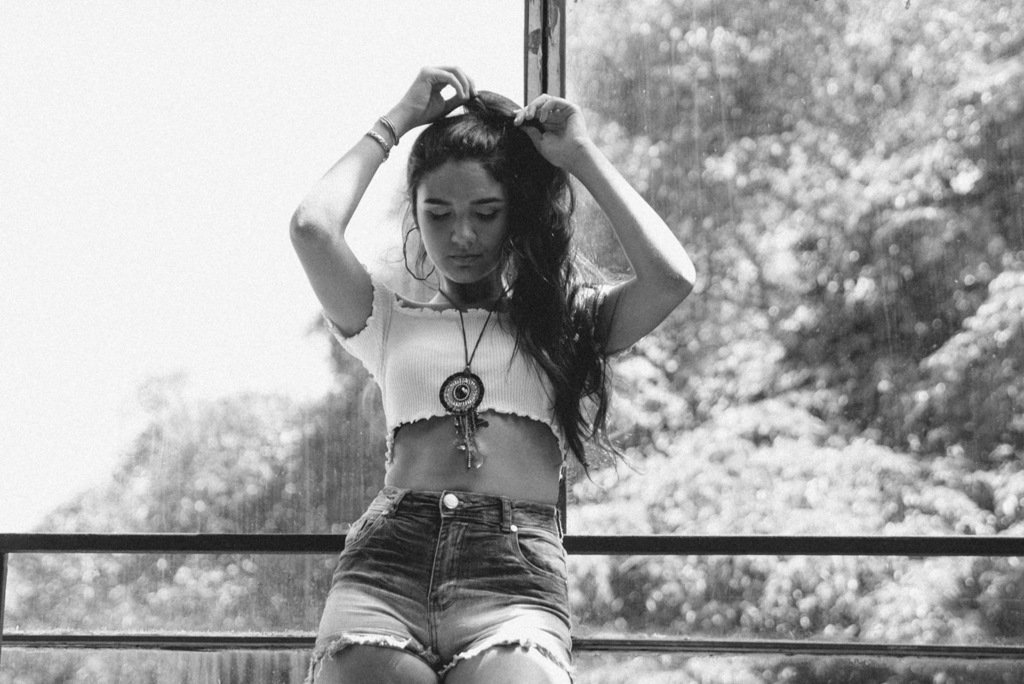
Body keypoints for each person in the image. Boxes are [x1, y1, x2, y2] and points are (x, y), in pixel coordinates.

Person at [290, 66, 695, 684]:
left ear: (517, 215)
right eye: (438, 213)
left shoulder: (566, 322)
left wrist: (580, 155)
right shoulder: (387, 321)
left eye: (485, 212)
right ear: (416, 216)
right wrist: (397, 121)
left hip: (514, 578)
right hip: (386, 568)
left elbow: (671, 278)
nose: (462, 235)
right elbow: (311, 228)